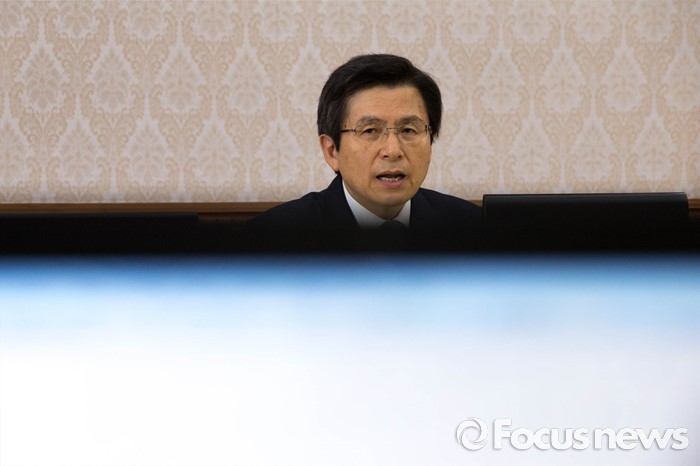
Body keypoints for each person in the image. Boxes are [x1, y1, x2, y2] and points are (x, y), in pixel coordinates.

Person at [246, 54, 483, 252]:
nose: (393, 151)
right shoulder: (272, 239)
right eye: (370, 130)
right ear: (332, 151)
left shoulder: (474, 231)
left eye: (409, 130)